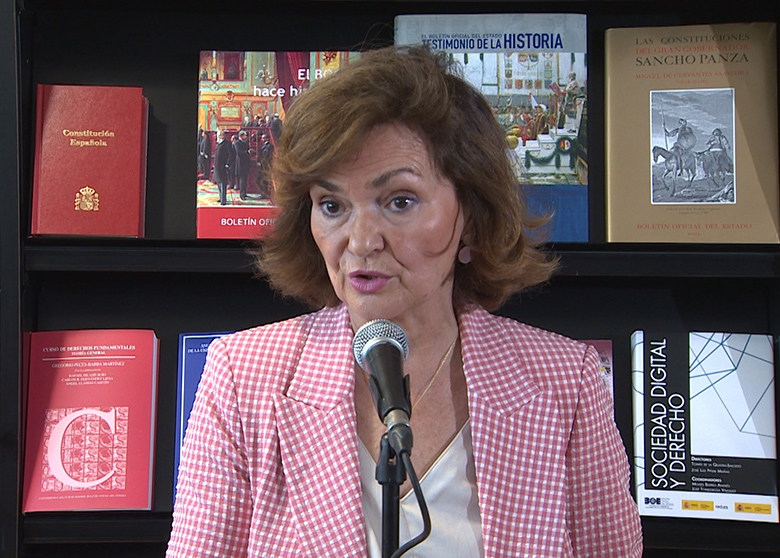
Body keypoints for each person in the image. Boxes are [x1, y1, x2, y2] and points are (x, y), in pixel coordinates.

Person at [168, 45, 642, 557]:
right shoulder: (242, 378)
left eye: (399, 201)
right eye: (332, 205)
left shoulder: (565, 383)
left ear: (471, 217)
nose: (361, 239)